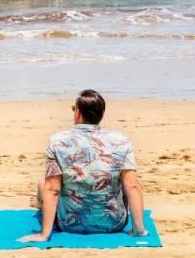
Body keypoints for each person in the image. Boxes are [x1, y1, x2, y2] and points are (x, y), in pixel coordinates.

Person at [18, 89, 148, 242]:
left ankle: (40, 203)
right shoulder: (121, 141)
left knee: (44, 184)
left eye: (74, 109)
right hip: (112, 224)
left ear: (78, 113)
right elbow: (133, 186)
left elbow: (52, 189)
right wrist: (139, 229)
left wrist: (44, 234)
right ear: (102, 114)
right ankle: (41, 202)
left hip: (70, 224)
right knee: (124, 180)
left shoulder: (57, 141)